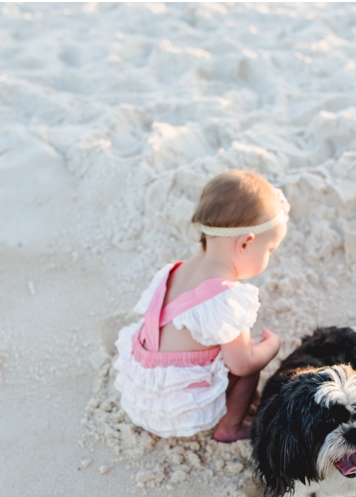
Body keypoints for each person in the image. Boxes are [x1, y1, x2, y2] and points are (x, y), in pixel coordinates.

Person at [114, 170, 288, 442]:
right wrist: (272, 346)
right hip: (181, 409)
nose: (270, 257)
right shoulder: (225, 299)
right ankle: (229, 427)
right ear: (245, 243)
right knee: (250, 366)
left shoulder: (172, 271)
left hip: (144, 396)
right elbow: (242, 365)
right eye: (271, 250)